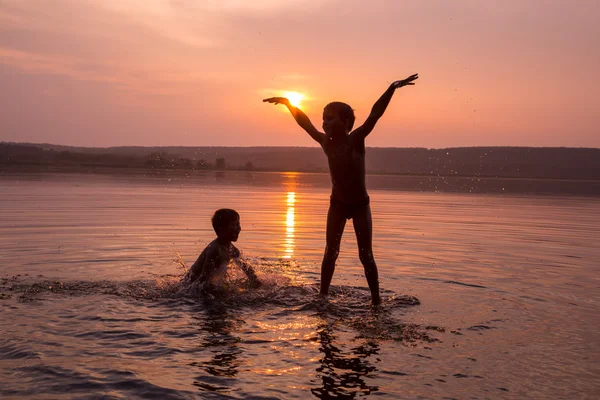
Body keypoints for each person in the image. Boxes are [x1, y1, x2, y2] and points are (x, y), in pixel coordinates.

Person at [263, 74, 418, 305]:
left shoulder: (356, 139)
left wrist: (392, 89)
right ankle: (323, 297)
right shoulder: (325, 142)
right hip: (336, 205)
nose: (324, 123)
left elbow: (375, 114)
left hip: (359, 206)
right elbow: (305, 123)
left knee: (366, 255)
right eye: (324, 119)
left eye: (330, 119)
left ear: (346, 123)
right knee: (330, 253)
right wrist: (288, 104)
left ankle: (376, 301)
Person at [186, 208, 260, 294]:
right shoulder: (215, 250)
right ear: (222, 229)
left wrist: (256, 282)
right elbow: (203, 281)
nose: (238, 228)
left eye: (238, 224)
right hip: (190, 288)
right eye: (234, 225)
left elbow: (247, 269)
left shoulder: (232, 249)